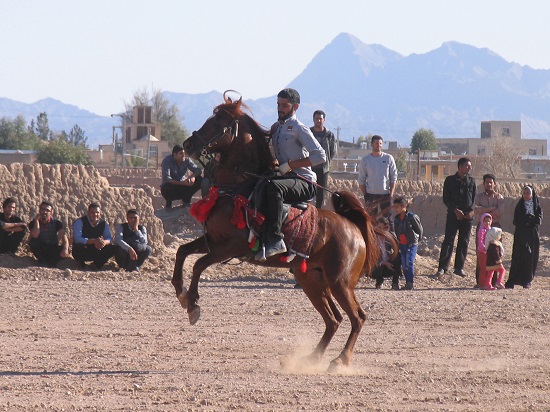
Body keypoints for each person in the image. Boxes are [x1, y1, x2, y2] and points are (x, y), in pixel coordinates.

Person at [256, 88, 326, 260]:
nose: (280, 108)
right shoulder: (275, 128)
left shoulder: (299, 128)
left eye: (285, 105)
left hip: (304, 181)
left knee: (273, 187)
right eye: (278, 105)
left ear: (295, 106)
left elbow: (320, 156)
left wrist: (291, 165)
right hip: (285, 180)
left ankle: (276, 239)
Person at [436, 158, 476, 277]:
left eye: (470, 166)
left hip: (467, 217)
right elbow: (446, 199)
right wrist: (455, 210)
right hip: (453, 215)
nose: (469, 168)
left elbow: (474, 199)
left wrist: (471, 212)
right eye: (467, 166)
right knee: (449, 240)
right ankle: (442, 267)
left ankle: (459, 268)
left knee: (464, 241)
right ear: (460, 167)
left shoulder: (472, 181)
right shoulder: (450, 180)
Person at [505, 185, 543, 289]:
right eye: (524, 193)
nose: (526, 195)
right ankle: (513, 280)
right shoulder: (519, 206)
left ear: (532, 194)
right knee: (518, 256)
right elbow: (516, 221)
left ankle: (527, 280)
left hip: (532, 234)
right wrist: (526, 221)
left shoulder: (536, 206)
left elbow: (538, 220)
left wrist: (531, 220)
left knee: (530, 256)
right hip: (521, 234)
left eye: (528, 193)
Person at [358, 135, 398, 231]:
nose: (378, 146)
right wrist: (366, 195)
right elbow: (361, 180)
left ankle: (391, 242)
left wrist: (391, 194)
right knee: (371, 220)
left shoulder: (388, 158)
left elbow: (394, 177)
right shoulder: (366, 160)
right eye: (376, 143)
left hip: (385, 194)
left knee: (388, 220)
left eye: (380, 144)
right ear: (371, 145)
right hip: (371, 195)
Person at [474, 173, 504, 285]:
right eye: (487, 182)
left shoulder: (499, 197)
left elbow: (500, 211)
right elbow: (476, 209)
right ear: (484, 184)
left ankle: (494, 281)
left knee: (495, 253)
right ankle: (481, 282)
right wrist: (491, 209)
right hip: (482, 228)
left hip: (495, 228)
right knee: (481, 253)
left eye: (491, 182)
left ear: (494, 184)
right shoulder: (478, 197)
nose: (489, 184)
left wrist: (485, 212)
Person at [72, 202, 116, 269]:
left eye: (97, 212)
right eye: (92, 212)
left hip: (96, 249)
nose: (95, 214)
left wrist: (103, 243)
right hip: (84, 249)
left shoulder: (103, 223)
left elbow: (109, 238)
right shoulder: (80, 222)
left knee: (112, 248)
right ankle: (81, 265)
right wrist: (94, 241)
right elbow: (77, 239)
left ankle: (96, 265)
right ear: (88, 212)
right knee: (78, 246)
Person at [393, 197, 423, 290]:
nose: (396, 209)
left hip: (411, 244)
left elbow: (419, 230)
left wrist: (416, 242)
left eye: (397, 207)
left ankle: (410, 283)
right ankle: (407, 283)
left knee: (409, 262)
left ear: (404, 206)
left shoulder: (412, 217)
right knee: (404, 263)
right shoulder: (396, 219)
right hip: (402, 245)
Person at [160, 144, 203, 209]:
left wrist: (192, 177)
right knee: (166, 187)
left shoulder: (187, 160)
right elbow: (167, 178)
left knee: (199, 179)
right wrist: (183, 183)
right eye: (181, 154)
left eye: (184, 153)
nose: (183, 155)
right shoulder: (167, 161)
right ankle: (169, 203)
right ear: (175, 155)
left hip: (183, 185)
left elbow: (198, 170)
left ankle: (186, 200)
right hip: (172, 187)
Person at [28, 201, 69, 267]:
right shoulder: (33, 223)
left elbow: (63, 236)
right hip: (41, 248)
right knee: (33, 242)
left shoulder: (56, 223)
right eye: (43, 209)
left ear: (51, 213)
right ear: (39, 210)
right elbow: (35, 235)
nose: (44, 212)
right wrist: (36, 221)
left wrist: (65, 248)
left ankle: (52, 263)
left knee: (66, 249)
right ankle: (42, 261)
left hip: (52, 248)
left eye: (47, 210)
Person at [310, 110, 337, 208]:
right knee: (308, 192)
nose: (318, 121)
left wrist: (326, 161)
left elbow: (333, 151)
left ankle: (318, 214)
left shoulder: (329, 135)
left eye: (320, 119)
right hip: (309, 168)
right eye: (316, 119)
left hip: (323, 170)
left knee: (321, 195)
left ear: (324, 120)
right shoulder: (308, 133)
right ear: (313, 120)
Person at [371, 216, 401, 290]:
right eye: (379, 227)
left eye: (383, 228)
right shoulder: (372, 239)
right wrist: (384, 263)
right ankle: (379, 282)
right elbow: (371, 258)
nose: (381, 230)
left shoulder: (389, 238)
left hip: (388, 264)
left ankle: (395, 283)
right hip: (376, 266)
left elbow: (396, 248)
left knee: (398, 256)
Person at [475, 213, 492, 287]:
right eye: (485, 221)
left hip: (488, 251)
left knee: (489, 268)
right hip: (482, 251)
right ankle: (481, 283)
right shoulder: (481, 230)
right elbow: (480, 240)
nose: (487, 223)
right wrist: (483, 247)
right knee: (483, 268)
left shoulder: (490, 230)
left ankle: (487, 283)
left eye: (489, 221)